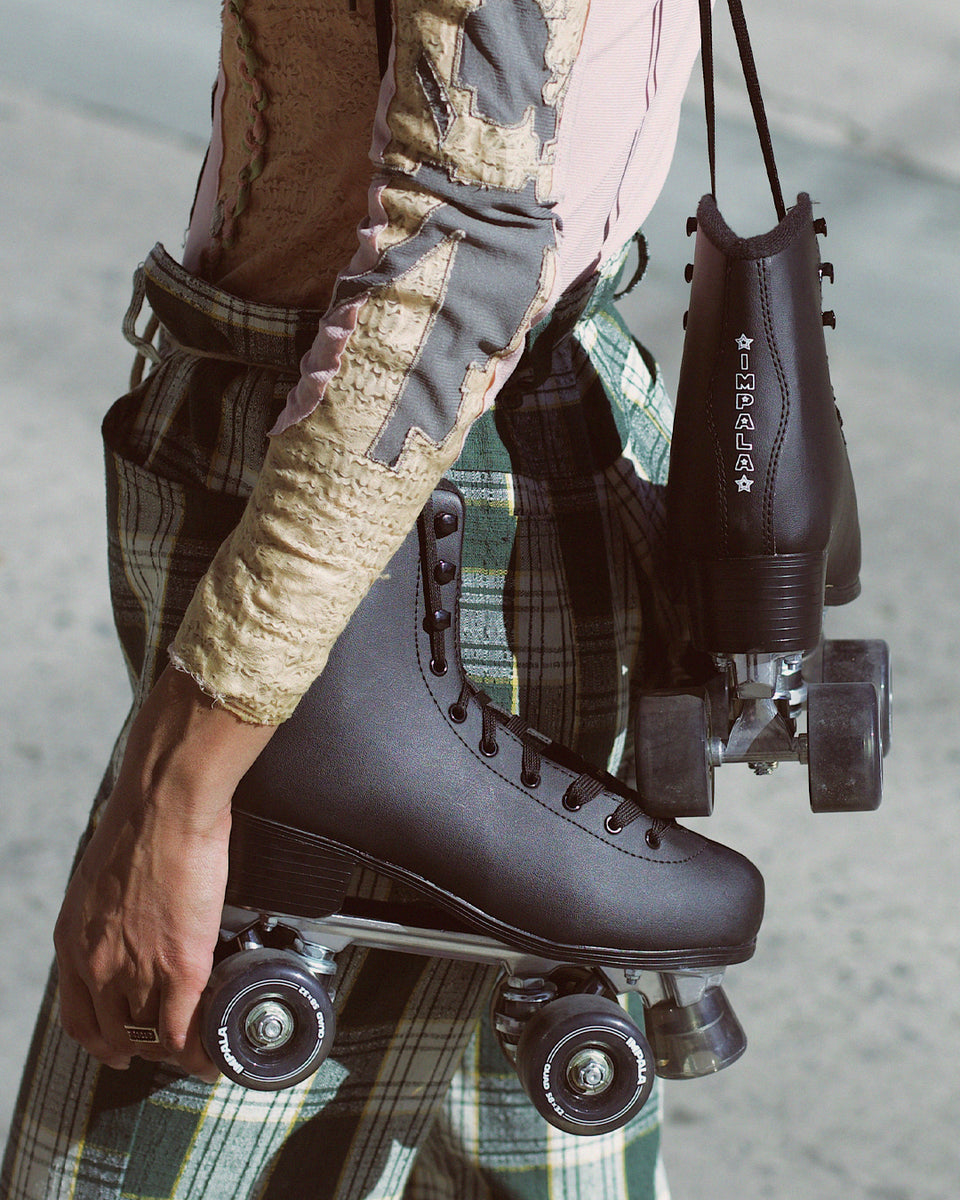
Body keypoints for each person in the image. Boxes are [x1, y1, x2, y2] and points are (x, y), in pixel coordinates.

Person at [1, 1, 755, 1197]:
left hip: (393, 529)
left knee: (132, 1154)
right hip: (420, 483)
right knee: (519, 1146)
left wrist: (178, 790)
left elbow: (456, 252)